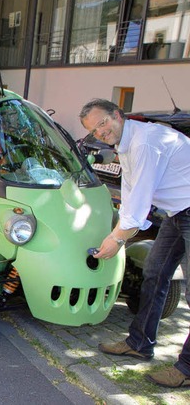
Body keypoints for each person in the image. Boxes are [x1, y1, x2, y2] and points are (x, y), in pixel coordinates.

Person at [80, 98, 190, 388]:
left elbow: (139, 206)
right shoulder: (126, 145)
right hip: (179, 212)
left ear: (117, 115)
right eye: (94, 131)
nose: (100, 132)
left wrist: (116, 238)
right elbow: (130, 195)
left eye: (102, 123)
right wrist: (118, 227)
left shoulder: (143, 143)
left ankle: (188, 369)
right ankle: (139, 343)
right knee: (154, 272)